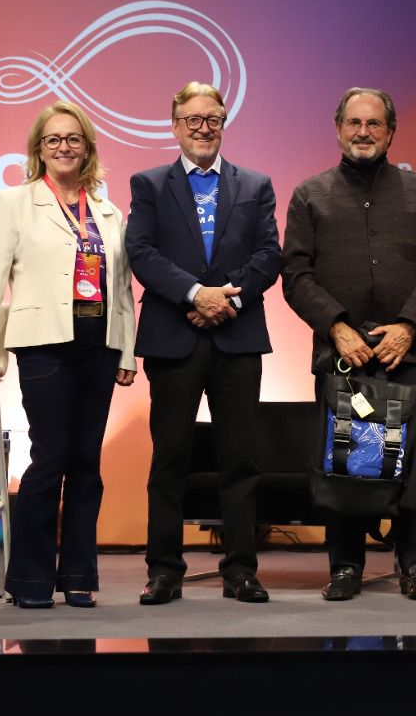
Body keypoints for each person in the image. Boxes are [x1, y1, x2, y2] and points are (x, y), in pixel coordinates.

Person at [0, 100, 137, 609]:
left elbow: (120, 284)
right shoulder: (13, 202)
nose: (64, 147)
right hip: (42, 343)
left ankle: (79, 576)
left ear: (88, 149)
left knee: (87, 463)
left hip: (98, 344)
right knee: (49, 456)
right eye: (53, 139)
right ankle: (31, 580)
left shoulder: (107, 211)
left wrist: (127, 349)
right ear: (39, 148)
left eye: (73, 139)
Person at [283, 87, 416, 601]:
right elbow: (295, 273)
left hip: (409, 349)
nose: (363, 132)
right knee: (345, 460)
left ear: (391, 131)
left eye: (374, 124)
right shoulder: (310, 195)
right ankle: (346, 566)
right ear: (338, 129)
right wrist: (336, 327)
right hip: (343, 353)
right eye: (354, 123)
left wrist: (410, 326)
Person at [126, 81, 282, 605]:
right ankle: (164, 570)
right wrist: (195, 293)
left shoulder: (256, 184)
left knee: (240, 460)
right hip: (174, 336)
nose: (202, 127)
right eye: (191, 119)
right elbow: (140, 252)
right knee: (170, 459)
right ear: (174, 126)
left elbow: (268, 255)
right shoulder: (148, 183)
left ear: (223, 123)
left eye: (211, 118)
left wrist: (227, 301)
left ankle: (240, 569)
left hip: (236, 338)